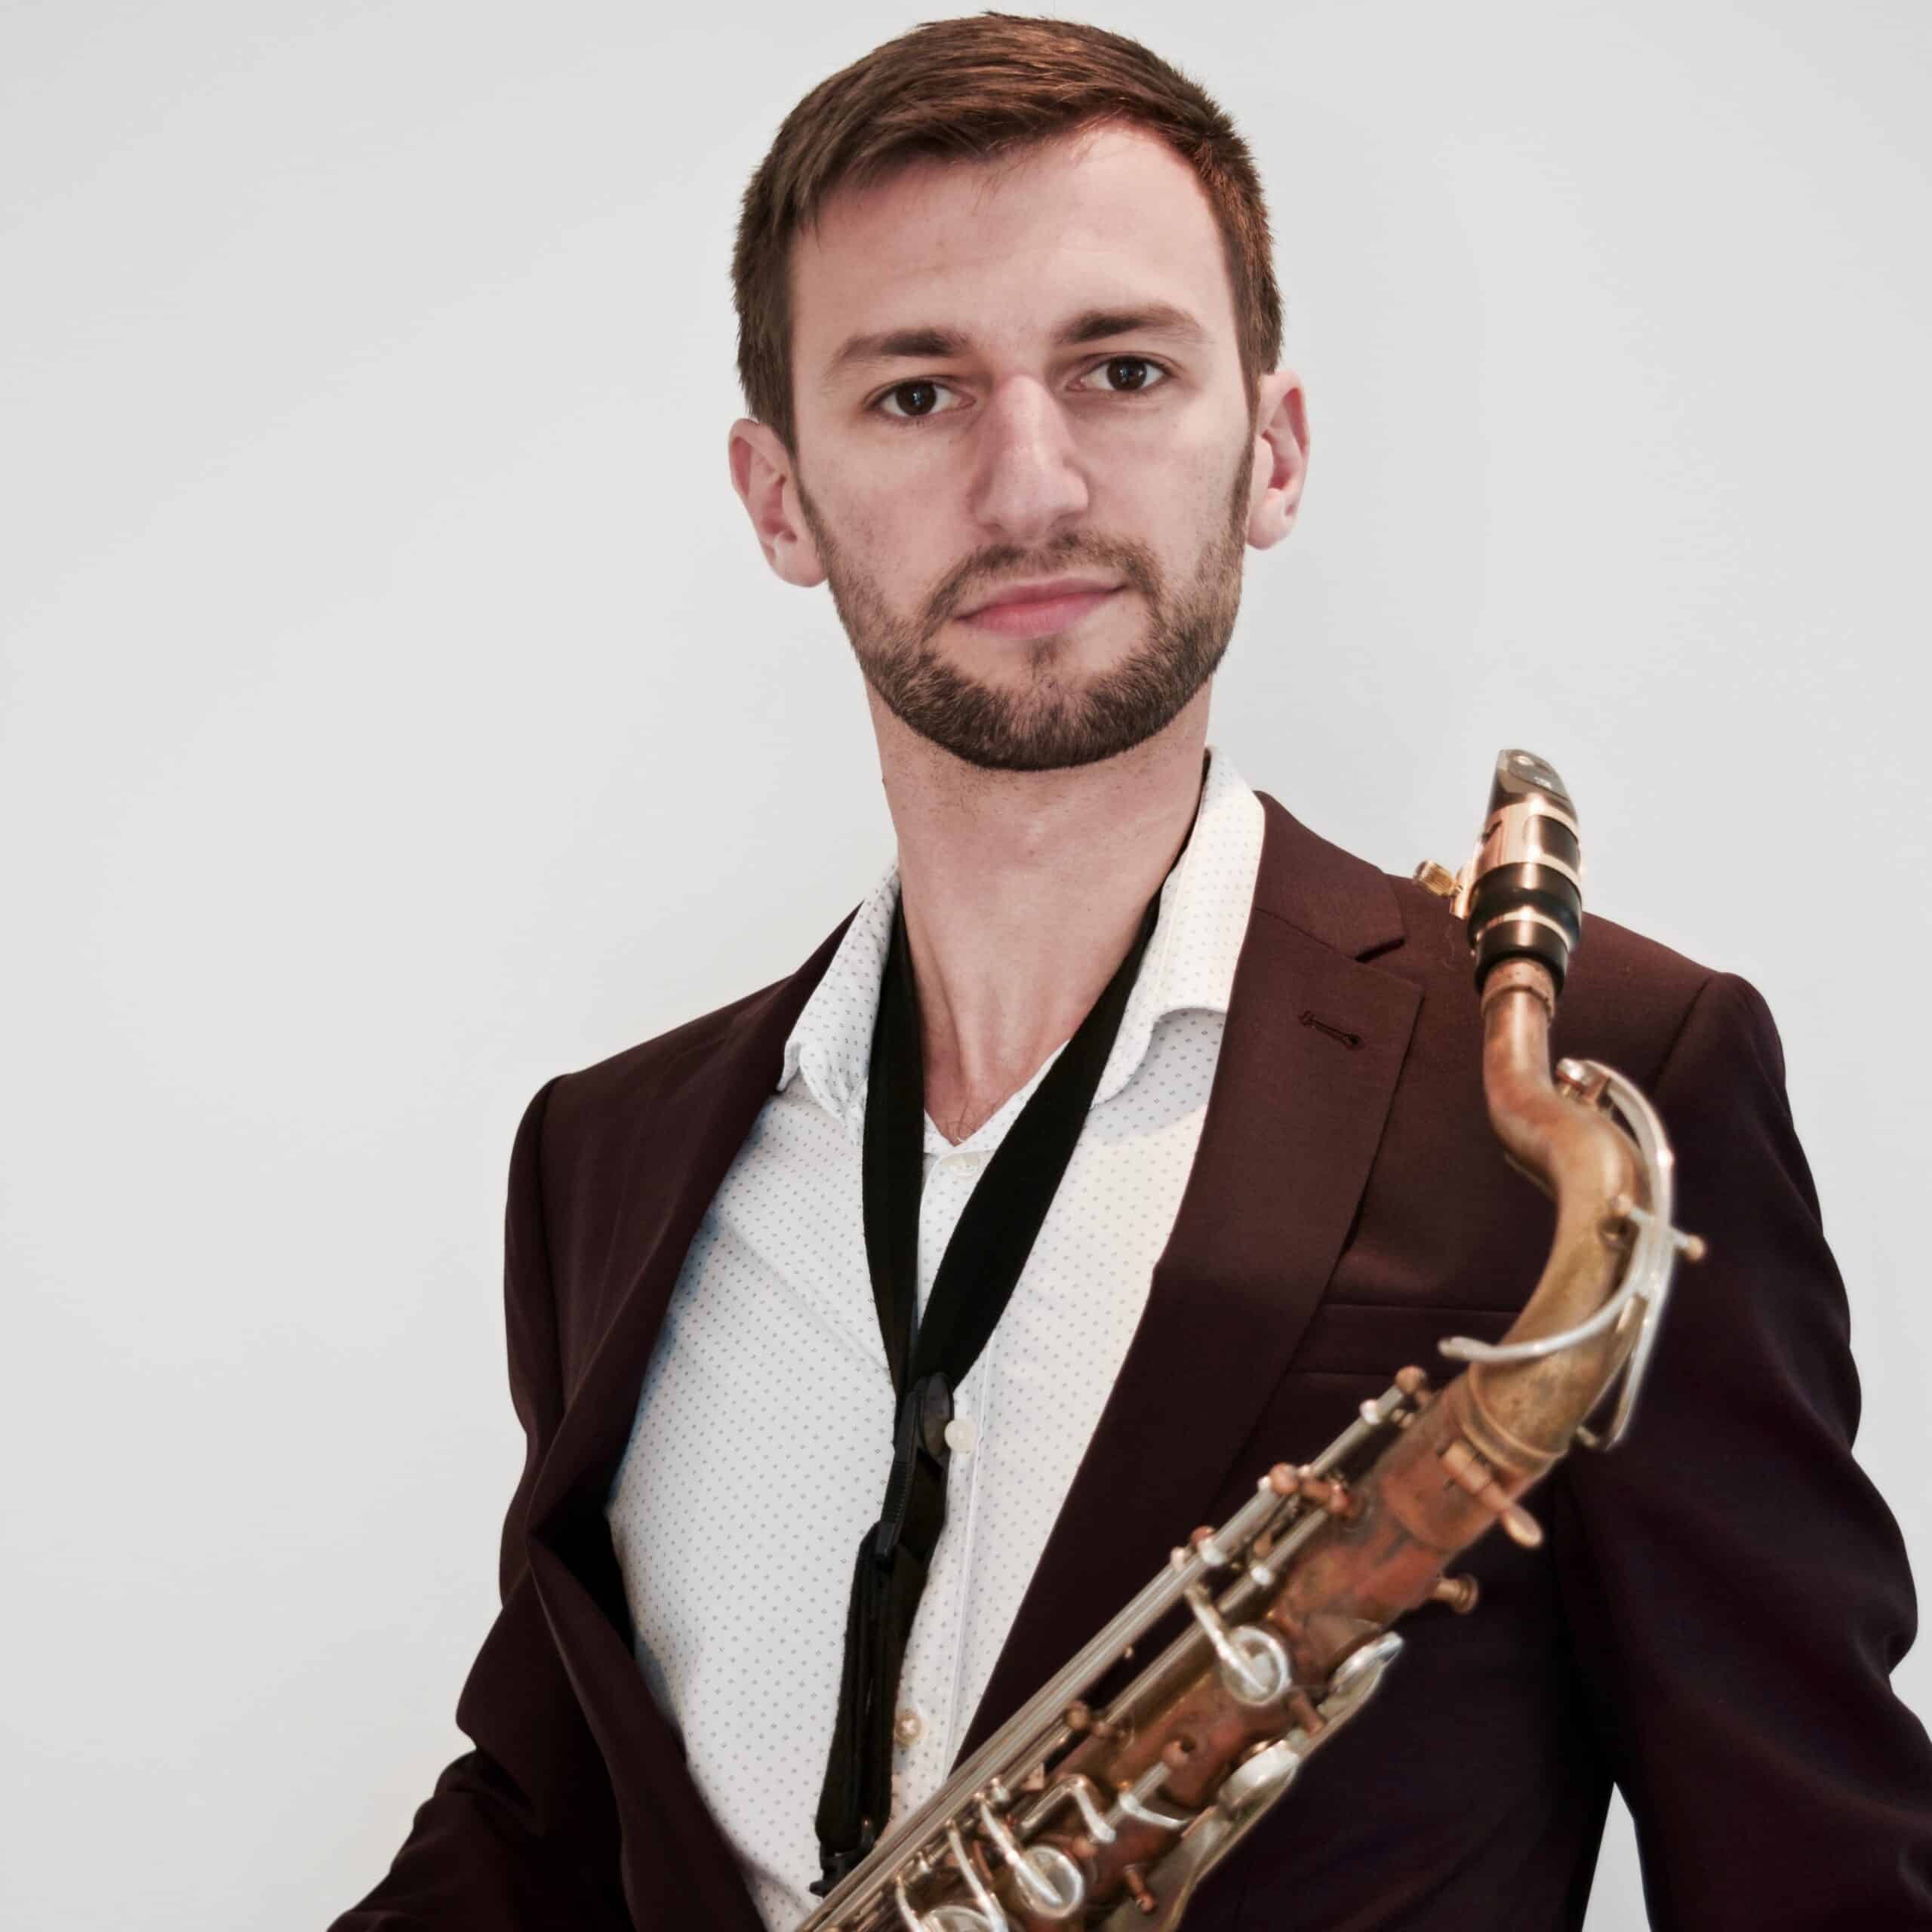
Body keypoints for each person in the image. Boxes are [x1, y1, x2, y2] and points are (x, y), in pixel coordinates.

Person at [328, 16, 1932, 1930]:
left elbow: (1816, 1883)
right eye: (915, 392)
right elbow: (546, 1816)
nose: (1030, 486)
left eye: (1120, 370)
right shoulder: (603, 1158)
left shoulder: (1594, 1086)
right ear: (778, 497)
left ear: (1272, 447)